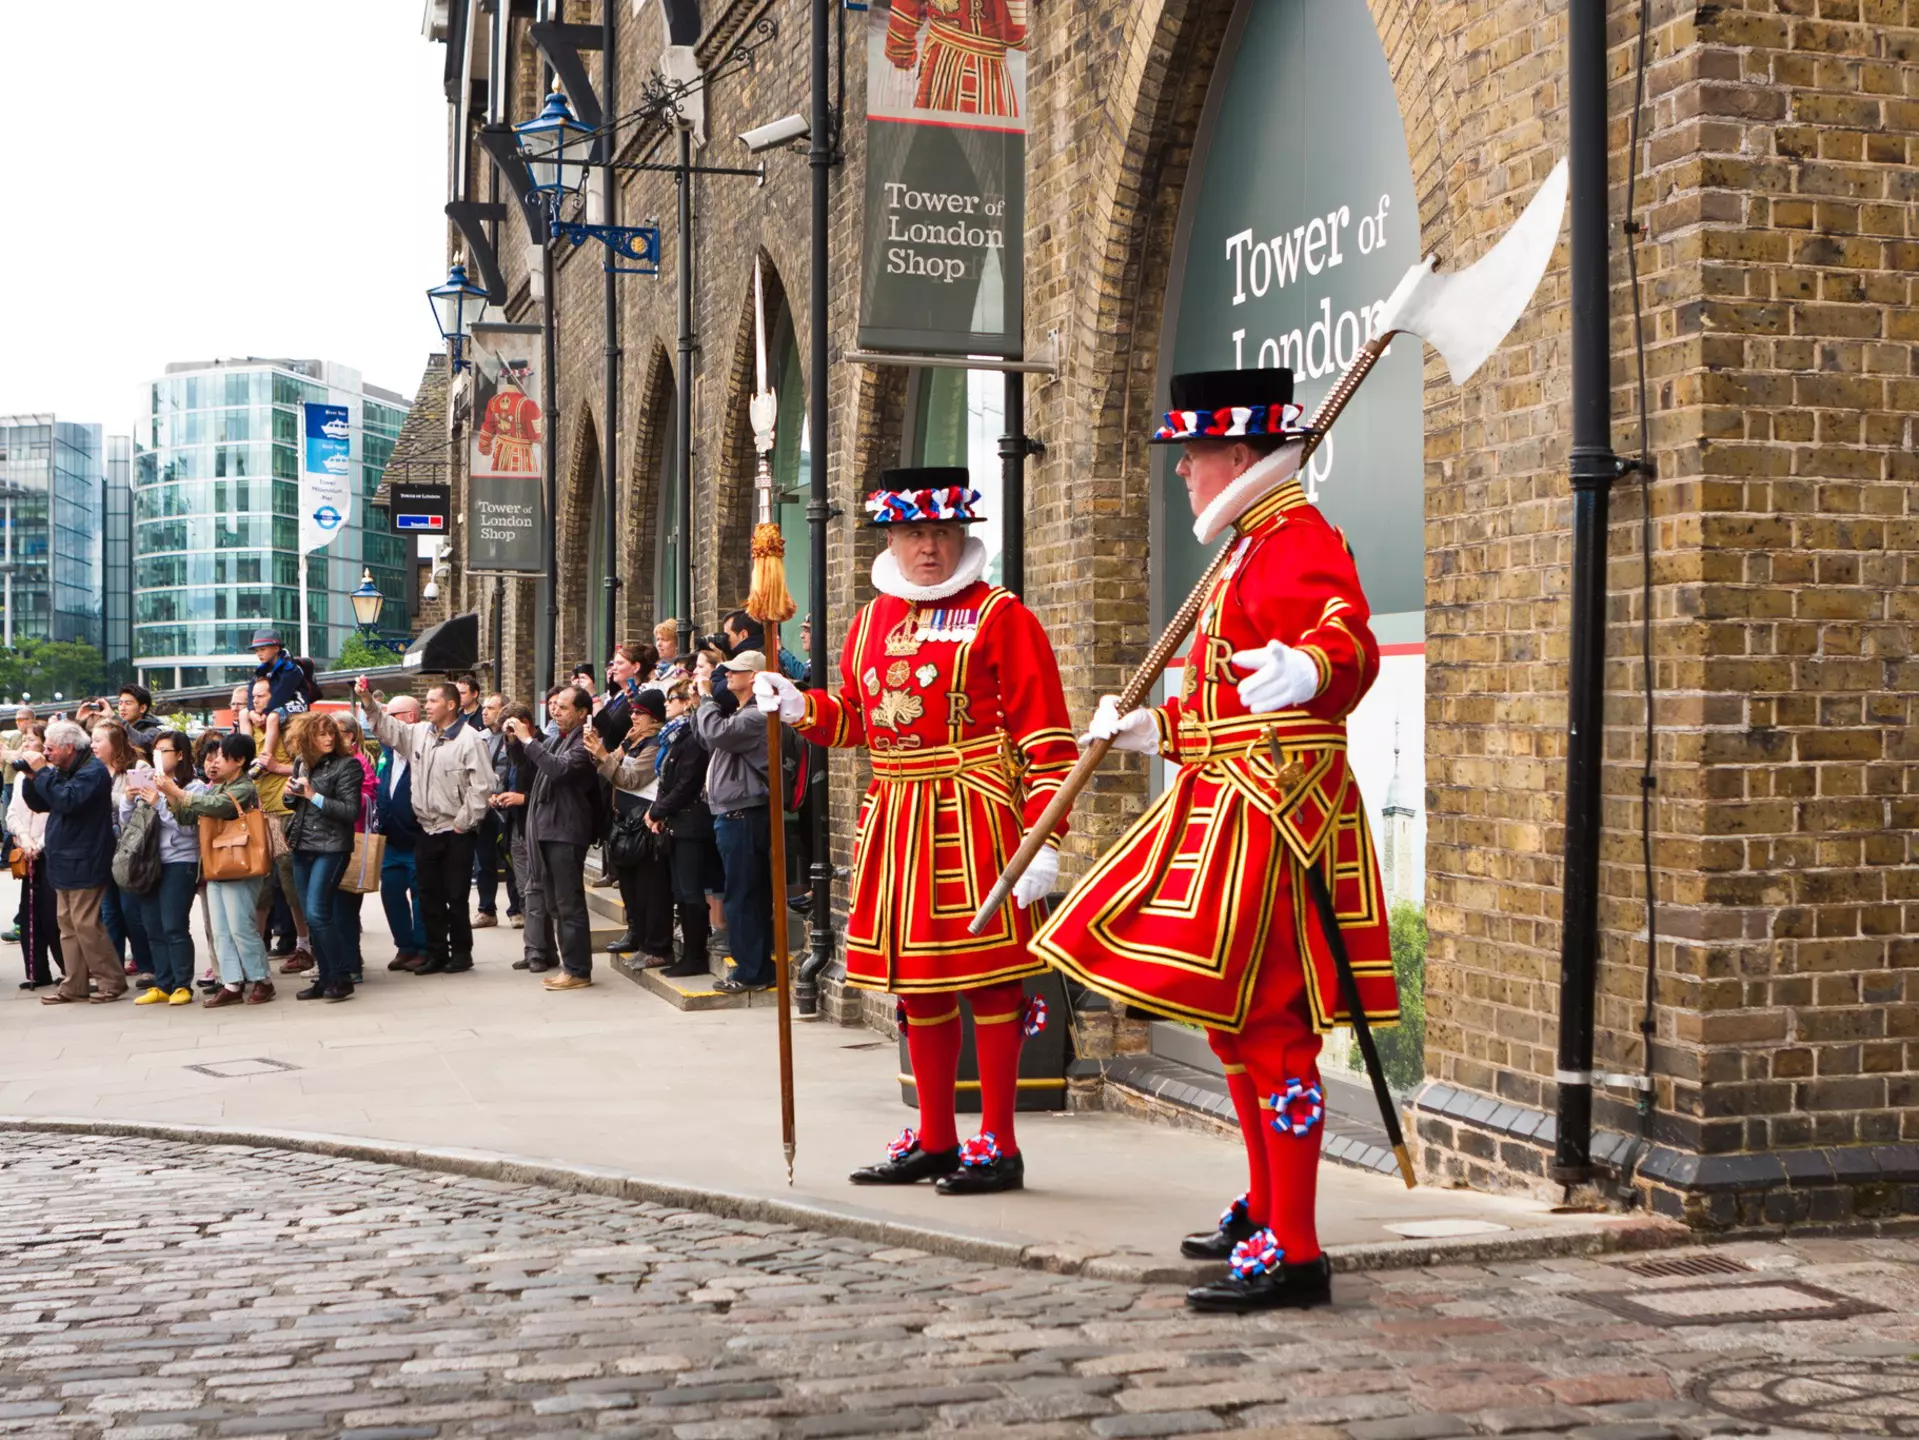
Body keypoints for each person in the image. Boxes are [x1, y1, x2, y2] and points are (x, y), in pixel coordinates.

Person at [1032, 368, 1399, 1313]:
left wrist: (1308, 666)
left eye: (1192, 456)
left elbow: (1345, 640)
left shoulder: (1296, 537)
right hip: (1226, 802)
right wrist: (1156, 728)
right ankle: (1268, 1204)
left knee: (1274, 1029)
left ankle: (1298, 1247)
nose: (1183, 474)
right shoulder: (1242, 548)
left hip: (1276, 815)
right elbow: (1224, 702)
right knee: (1235, 1026)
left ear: (1237, 454)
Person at [755, 467, 1075, 1196]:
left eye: (940, 531)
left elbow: (1048, 740)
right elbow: (861, 721)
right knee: (918, 989)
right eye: (913, 532)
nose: (928, 547)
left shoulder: (1001, 616)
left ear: (961, 533)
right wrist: (803, 709)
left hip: (977, 815)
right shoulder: (871, 620)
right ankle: (935, 1138)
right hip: (895, 817)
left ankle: (997, 1142)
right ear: (891, 537)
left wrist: (1043, 839)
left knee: (993, 986)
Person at [358, 678, 494, 974]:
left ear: (451, 704)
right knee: (428, 894)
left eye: (432, 701)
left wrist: (463, 823)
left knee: (456, 896)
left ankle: (461, 953)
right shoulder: (419, 734)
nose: (427, 706)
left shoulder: (471, 740)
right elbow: (387, 728)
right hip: (427, 829)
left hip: (456, 831)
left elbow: (482, 787)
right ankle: (435, 952)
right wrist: (368, 700)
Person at [156, 731, 273, 1008]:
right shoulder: (220, 786)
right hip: (218, 863)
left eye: (223, 756)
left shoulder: (243, 787)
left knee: (241, 926)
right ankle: (231, 982)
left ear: (240, 760)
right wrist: (169, 797)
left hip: (241, 863)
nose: (216, 761)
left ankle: (262, 980)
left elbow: (216, 806)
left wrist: (176, 792)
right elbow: (188, 815)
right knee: (220, 929)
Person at [506, 684, 601, 990]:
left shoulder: (583, 742)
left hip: (566, 831)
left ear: (582, 712)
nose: (556, 711)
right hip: (549, 829)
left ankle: (578, 969)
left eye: (563, 707)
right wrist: (515, 743)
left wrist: (527, 739)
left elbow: (558, 770)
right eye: (554, 706)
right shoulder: (560, 740)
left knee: (568, 904)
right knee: (555, 905)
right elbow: (532, 766)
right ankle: (569, 966)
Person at [22, 719, 121, 1005]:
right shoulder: (64, 771)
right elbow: (42, 803)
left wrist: (42, 773)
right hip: (65, 860)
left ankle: (110, 981)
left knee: (86, 924)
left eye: (51, 748)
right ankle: (74, 984)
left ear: (68, 747)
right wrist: (32, 777)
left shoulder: (93, 772)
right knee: (67, 925)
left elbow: (67, 801)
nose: (48, 754)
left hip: (86, 859)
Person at [697, 650, 777, 995]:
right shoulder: (739, 714)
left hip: (744, 815)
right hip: (734, 814)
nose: (727, 676)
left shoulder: (757, 715)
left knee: (743, 896)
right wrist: (700, 708)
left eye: (735, 671)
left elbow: (716, 734)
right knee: (746, 894)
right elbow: (706, 736)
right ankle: (756, 966)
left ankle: (752, 970)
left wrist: (704, 700)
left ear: (755, 677)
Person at [584, 688, 672, 964]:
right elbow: (614, 767)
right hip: (624, 824)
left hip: (645, 828)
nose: (632, 716)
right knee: (631, 889)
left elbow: (630, 779)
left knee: (651, 890)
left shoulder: (655, 744)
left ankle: (656, 946)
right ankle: (638, 937)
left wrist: (603, 755)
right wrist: (614, 750)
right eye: (632, 711)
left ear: (654, 717)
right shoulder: (634, 741)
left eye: (640, 713)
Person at [283, 712, 365, 1003]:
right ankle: (326, 978)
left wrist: (313, 795)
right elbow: (294, 804)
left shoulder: (348, 766)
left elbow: (349, 811)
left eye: (331, 732)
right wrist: (290, 793)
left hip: (332, 847)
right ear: (306, 738)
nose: (329, 738)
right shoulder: (302, 763)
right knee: (311, 916)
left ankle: (342, 977)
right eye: (321, 733)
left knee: (318, 913)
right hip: (302, 846)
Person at [645, 677, 719, 979]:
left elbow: (687, 783)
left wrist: (658, 809)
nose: (665, 705)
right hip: (676, 822)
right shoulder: (673, 737)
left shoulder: (693, 737)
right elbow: (666, 779)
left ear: (688, 702)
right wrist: (658, 810)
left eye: (671, 699)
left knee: (690, 891)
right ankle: (688, 953)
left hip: (692, 822)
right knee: (681, 890)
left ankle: (695, 956)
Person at [124, 731, 202, 1007]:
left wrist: (160, 804)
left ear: (180, 754)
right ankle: (163, 983)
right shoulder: (149, 783)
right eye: (154, 751)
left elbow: (188, 829)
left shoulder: (193, 788)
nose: (157, 756)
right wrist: (128, 799)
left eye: (164, 751)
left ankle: (182, 984)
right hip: (148, 862)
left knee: (174, 925)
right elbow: (130, 825)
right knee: (152, 927)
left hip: (180, 861)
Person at [238, 676, 312, 969]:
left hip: (286, 811)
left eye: (261, 696)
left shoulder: (291, 727)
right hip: (258, 813)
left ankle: (305, 945)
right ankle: (254, 949)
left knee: (290, 881)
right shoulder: (248, 725)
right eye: (253, 696)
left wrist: (276, 767)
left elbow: (305, 766)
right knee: (260, 883)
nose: (255, 700)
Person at [90, 720, 156, 986]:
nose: (93, 745)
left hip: (131, 850)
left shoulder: (137, 767)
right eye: (92, 740)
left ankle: (147, 965)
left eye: (98, 740)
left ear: (115, 743)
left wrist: (112, 798)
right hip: (102, 849)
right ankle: (112, 971)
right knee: (109, 913)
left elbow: (144, 802)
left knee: (132, 911)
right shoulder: (91, 770)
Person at [373, 694, 430, 973]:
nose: (385, 725)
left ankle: (422, 948)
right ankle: (404, 947)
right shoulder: (385, 755)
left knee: (421, 896)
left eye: (390, 717)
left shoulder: (422, 751)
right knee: (391, 894)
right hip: (390, 842)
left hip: (417, 838)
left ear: (410, 717)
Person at [5, 725, 63, 988]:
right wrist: (24, 839)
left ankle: (68, 968)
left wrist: (37, 845)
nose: (26, 744)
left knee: (52, 915)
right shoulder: (19, 777)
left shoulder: (53, 775)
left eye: (33, 740)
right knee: (29, 915)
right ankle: (37, 971)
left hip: (48, 851)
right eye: (24, 740)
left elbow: (53, 815)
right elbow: (13, 813)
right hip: (26, 850)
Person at [492, 703, 543, 972]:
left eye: (511, 729)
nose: (507, 736)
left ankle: (540, 950)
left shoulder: (543, 746)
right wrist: (499, 793)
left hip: (537, 828)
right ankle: (533, 948)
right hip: (515, 826)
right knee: (525, 892)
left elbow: (550, 786)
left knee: (538, 894)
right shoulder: (513, 748)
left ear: (524, 722)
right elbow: (509, 777)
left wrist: (521, 798)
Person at [334, 712, 378, 984]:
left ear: (349, 736)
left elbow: (364, 801)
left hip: (351, 842)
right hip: (334, 841)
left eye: (333, 732)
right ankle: (345, 960)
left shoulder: (358, 762)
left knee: (345, 909)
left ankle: (351, 964)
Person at [472, 692, 521, 929]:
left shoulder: (513, 738)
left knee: (511, 858)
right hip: (484, 808)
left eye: (491, 708)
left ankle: (516, 909)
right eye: (485, 707)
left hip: (506, 807)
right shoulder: (477, 738)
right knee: (484, 862)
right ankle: (486, 910)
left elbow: (513, 770)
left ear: (504, 712)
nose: (485, 711)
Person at [722, 610, 806, 683]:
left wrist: (719, 660)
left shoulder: (754, 658)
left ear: (743, 635)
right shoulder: (770, 652)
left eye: (727, 635)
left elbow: (724, 692)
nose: (724, 639)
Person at [250, 628, 310, 717]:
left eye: (262, 649)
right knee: (244, 714)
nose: (259, 653)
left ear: (276, 648)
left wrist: (265, 713)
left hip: (296, 702)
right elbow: (251, 691)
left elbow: (280, 694)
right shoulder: (261, 670)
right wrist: (251, 711)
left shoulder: (290, 669)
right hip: (274, 704)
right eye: (257, 650)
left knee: (273, 717)